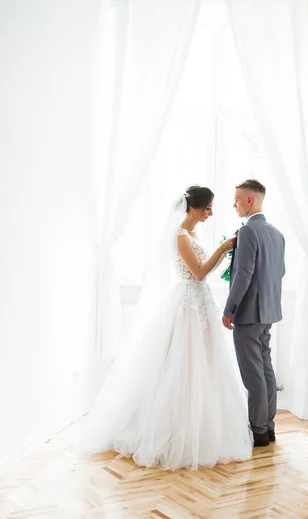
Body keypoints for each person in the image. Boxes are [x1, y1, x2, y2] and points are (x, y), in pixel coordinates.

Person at [82, 185, 253, 470]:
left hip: (200, 304)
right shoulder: (179, 236)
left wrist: (224, 253)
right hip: (187, 304)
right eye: (208, 207)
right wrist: (223, 248)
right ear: (194, 208)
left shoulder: (193, 234)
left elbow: (202, 269)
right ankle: (172, 432)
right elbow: (198, 273)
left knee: (205, 367)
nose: (211, 213)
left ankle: (203, 426)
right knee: (182, 366)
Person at [222, 179, 286, 447]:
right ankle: (268, 427)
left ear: (250, 200)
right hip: (269, 311)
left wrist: (229, 309)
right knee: (266, 369)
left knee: (253, 375)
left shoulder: (248, 232)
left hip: (248, 314)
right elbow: (279, 272)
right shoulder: (277, 233)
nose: (233, 204)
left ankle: (258, 431)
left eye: (236, 199)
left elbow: (244, 275)